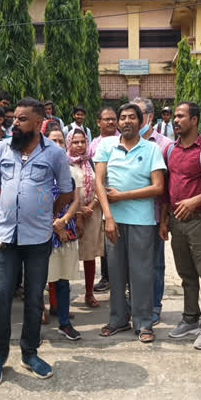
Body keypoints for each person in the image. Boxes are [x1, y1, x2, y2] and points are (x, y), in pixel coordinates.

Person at [0, 98, 74, 387]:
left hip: (38, 239)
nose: (15, 124)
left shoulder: (55, 154)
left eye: (22, 119)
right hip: (6, 237)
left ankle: (30, 352)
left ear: (37, 123)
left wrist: (43, 211)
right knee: (0, 296)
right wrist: (17, 205)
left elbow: (66, 193)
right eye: (15, 119)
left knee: (35, 299)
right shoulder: (1, 150)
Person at [94, 102, 166, 343]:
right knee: (115, 272)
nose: (125, 121)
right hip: (114, 220)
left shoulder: (152, 149)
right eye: (122, 117)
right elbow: (99, 182)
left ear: (141, 122)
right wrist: (109, 217)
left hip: (142, 221)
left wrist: (122, 196)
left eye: (131, 117)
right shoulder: (106, 145)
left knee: (142, 273)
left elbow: (158, 187)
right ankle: (117, 319)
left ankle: (144, 323)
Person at [160, 102, 201, 349]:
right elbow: (167, 189)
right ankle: (190, 318)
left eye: (181, 116)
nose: (175, 120)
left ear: (195, 120)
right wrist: (164, 220)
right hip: (177, 221)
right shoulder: (170, 151)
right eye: (174, 117)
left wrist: (195, 201)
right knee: (186, 274)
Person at [133, 96, 173, 325]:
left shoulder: (165, 145)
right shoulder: (124, 142)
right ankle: (137, 304)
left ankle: (155, 306)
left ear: (149, 118)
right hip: (130, 215)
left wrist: (166, 219)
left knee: (155, 264)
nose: (134, 121)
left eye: (138, 115)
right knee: (133, 263)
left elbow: (167, 186)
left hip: (156, 214)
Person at [45, 126, 82, 340]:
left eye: (61, 141)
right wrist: (53, 225)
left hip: (66, 231)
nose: (58, 145)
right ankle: (36, 324)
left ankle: (65, 323)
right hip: (42, 232)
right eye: (53, 140)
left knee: (64, 280)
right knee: (39, 278)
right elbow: (35, 200)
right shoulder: (37, 168)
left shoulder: (71, 170)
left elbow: (75, 200)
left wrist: (63, 222)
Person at [68, 127, 104, 308]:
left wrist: (90, 206)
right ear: (69, 143)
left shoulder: (92, 162)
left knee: (90, 256)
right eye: (75, 142)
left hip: (92, 214)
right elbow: (62, 192)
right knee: (66, 255)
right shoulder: (64, 163)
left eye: (82, 141)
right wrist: (77, 209)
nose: (79, 145)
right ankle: (60, 296)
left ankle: (89, 293)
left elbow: (101, 186)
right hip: (70, 215)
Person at [90, 105, 119, 293]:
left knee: (118, 237)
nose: (110, 122)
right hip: (97, 197)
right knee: (103, 240)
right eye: (106, 119)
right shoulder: (94, 144)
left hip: (117, 197)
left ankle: (122, 279)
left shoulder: (123, 140)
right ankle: (107, 277)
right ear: (98, 122)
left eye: (113, 119)